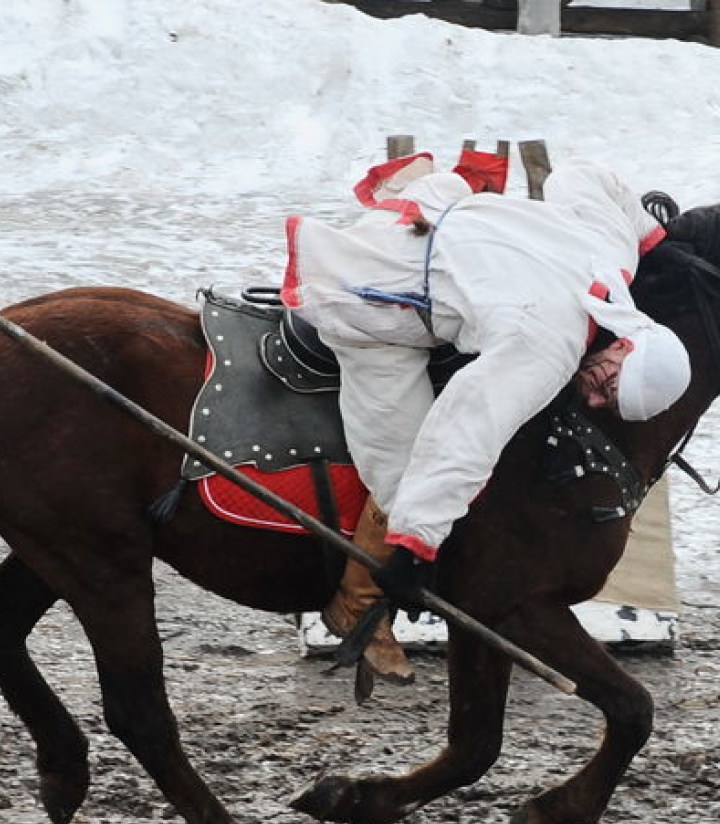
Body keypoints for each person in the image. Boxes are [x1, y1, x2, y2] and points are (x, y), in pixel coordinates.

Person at [281, 150, 690, 682]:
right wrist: (414, 546)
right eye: (609, 382)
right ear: (627, 346)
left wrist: (649, 236)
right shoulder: (548, 343)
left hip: (431, 215)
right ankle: (356, 600)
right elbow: (462, 433)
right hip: (377, 292)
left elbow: (585, 178)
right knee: (405, 473)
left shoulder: (614, 257)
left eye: (606, 403)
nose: (593, 398)